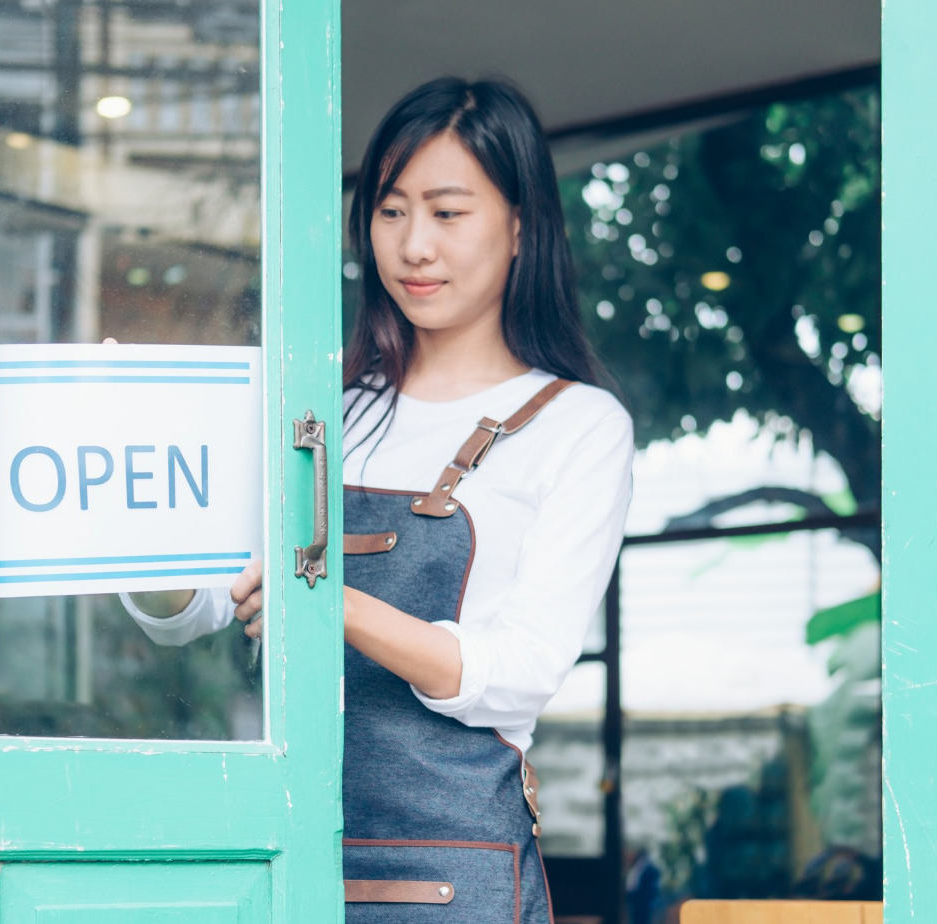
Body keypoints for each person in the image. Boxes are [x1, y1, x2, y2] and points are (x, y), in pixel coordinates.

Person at [122, 76, 634, 923]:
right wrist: (130, 484)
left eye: (446, 212)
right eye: (390, 211)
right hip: (282, 855)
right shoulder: (327, 406)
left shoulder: (579, 425)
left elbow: (518, 674)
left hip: (451, 872)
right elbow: (201, 603)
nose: (413, 246)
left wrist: (326, 604)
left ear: (520, 225)